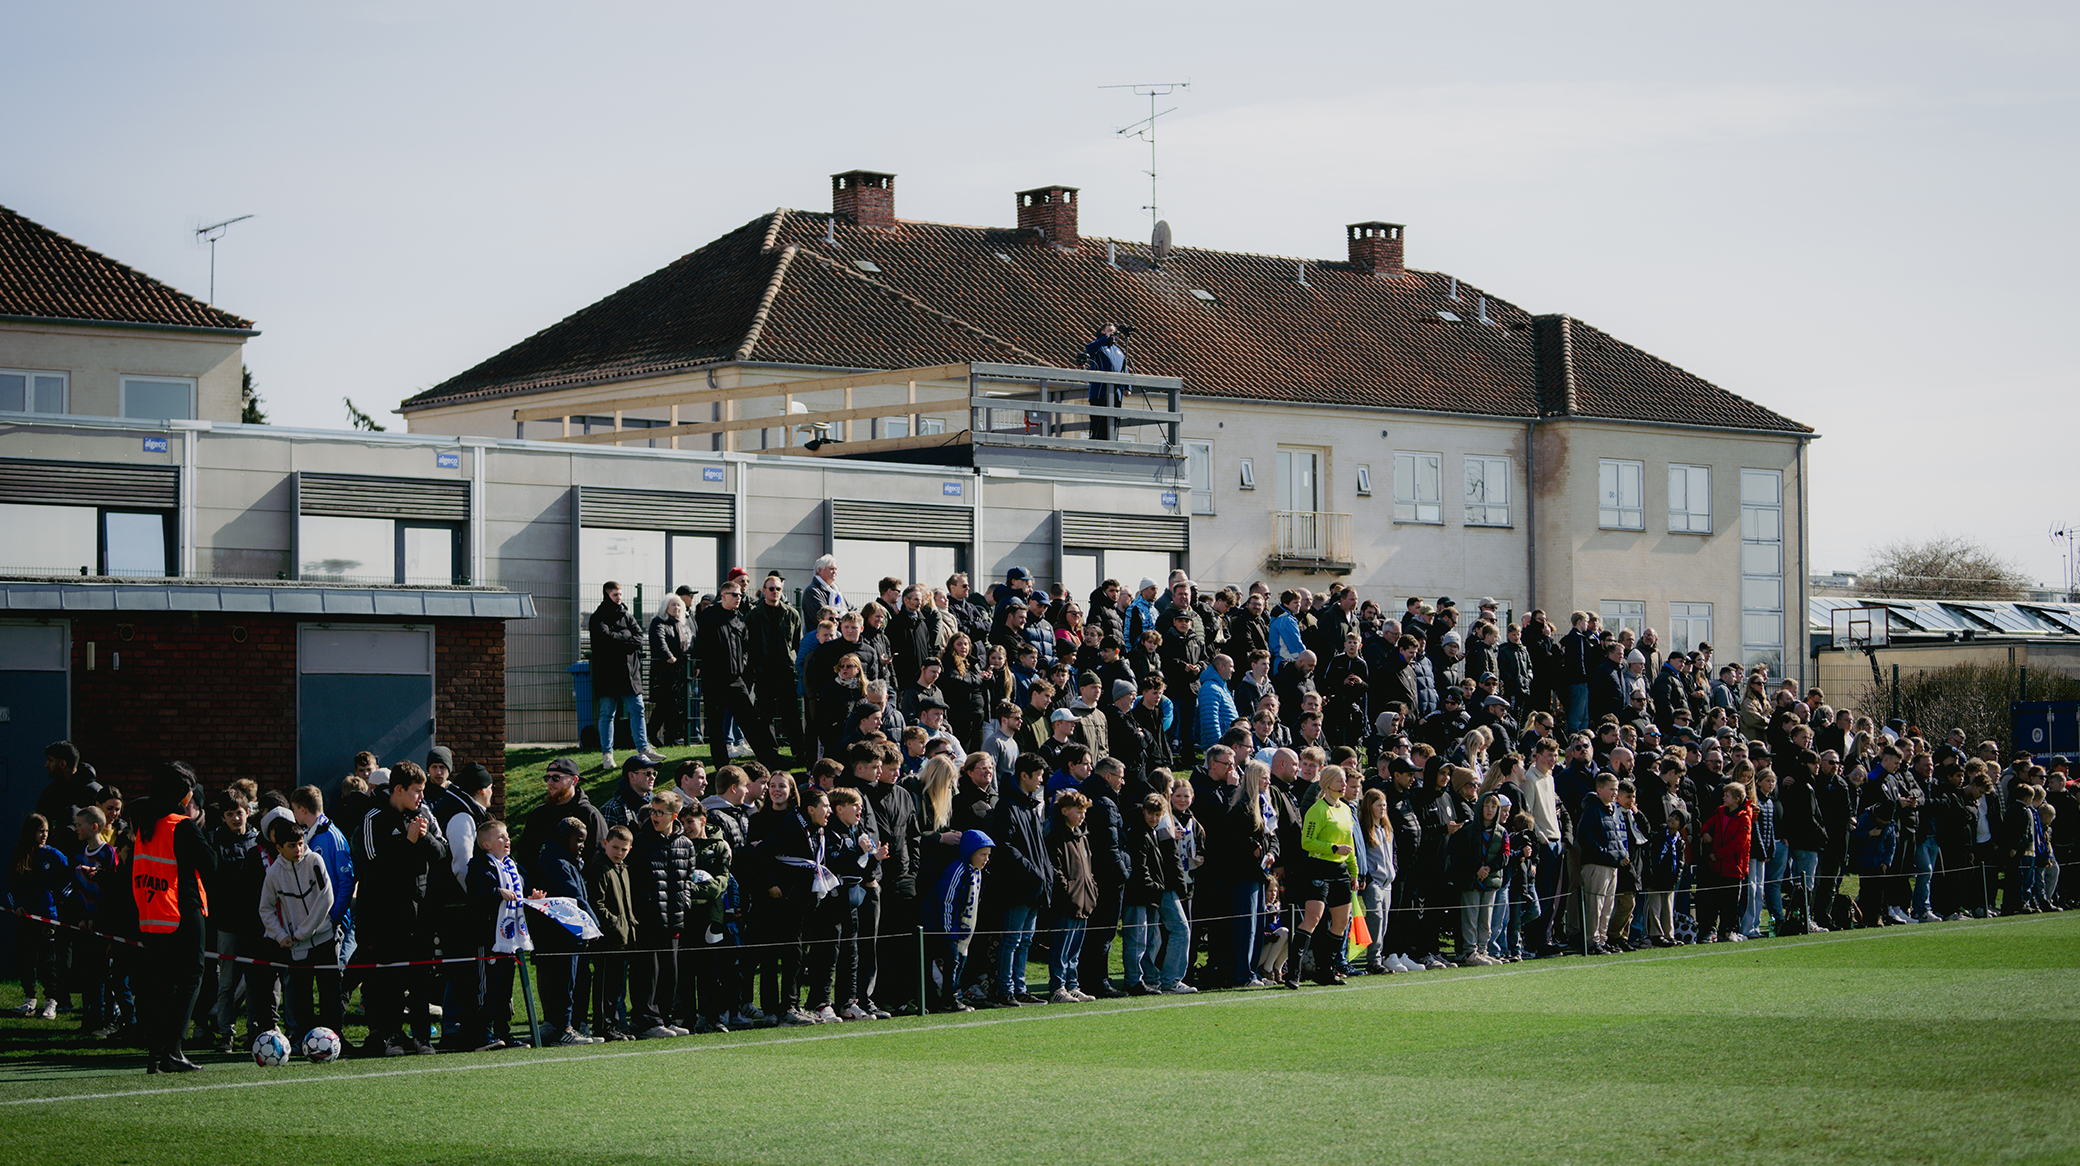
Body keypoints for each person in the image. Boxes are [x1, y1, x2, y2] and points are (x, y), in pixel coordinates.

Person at [359, 761, 452, 1056]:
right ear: (398, 790)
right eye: (416, 791)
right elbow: (373, 870)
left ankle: (422, 1037)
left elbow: (442, 854)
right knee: (390, 981)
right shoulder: (374, 819)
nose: (421, 798)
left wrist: (423, 838)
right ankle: (390, 1036)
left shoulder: (424, 814)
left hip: (420, 914)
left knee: (421, 979)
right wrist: (408, 843)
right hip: (386, 916)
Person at [131, 762, 216, 1074]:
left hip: (152, 915)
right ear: (184, 794)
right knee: (191, 978)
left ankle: (156, 1053)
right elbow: (211, 865)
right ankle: (174, 1050)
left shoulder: (145, 825)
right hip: (182, 912)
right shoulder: (181, 825)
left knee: (161, 986)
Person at [257, 817, 340, 1040]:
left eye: (301, 843)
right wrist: (280, 935)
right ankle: (306, 1040)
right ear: (279, 848)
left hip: (323, 938)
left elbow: (326, 898)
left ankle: (335, 1038)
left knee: (330, 992)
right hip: (296, 946)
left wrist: (304, 931)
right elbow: (265, 909)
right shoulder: (274, 873)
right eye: (292, 845)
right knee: (301, 996)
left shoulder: (315, 861)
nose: (299, 849)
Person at [985, 754, 1054, 1007]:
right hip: (1018, 886)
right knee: (1012, 939)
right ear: (1024, 775)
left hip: (1034, 885)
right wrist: (1034, 871)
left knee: (1024, 940)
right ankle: (1005, 990)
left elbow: (1039, 848)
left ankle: (1020, 988)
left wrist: (1045, 873)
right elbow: (1005, 846)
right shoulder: (1007, 806)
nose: (1041, 781)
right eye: (1037, 776)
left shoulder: (1029, 806)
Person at [697, 581, 786, 770]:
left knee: (750, 721)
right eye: (734, 595)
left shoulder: (740, 619)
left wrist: (741, 665)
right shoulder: (709, 617)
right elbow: (702, 648)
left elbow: (746, 646)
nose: (739, 598)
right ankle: (722, 766)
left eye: (740, 595)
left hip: (735, 679)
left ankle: (767, 759)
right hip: (714, 680)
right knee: (716, 724)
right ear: (723, 596)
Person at [465, 819, 537, 1051]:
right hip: (488, 938)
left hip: (510, 940)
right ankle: (483, 1034)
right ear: (486, 845)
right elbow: (477, 896)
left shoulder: (511, 866)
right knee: (488, 988)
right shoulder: (478, 866)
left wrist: (530, 898)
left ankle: (503, 1031)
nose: (507, 840)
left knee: (505, 989)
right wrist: (497, 892)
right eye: (500, 837)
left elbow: (519, 894)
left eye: (507, 836)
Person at [1288, 763, 1361, 987]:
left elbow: (1349, 844)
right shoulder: (1317, 810)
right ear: (1327, 783)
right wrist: (1332, 848)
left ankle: (1325, 970)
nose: (1344, 785)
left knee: (1340, 922)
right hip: (1319, 867)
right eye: (1340, 780)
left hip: (1339, 870)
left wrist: (1354, 872)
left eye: (1345, 781)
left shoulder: (1346, 810)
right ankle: (1293, 972)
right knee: (1313, 918)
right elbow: (1306, 842)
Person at [9, 814, 71, 1021]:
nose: (44, 835)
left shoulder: (54, 856)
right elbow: (12, 886)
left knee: (48, 961)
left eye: (46, 831)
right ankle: (29, 1001)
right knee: (28, 960)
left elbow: (68, 882)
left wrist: (59, 903)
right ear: (30, 832)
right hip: (26, 916)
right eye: (39, 831)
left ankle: (51, 1002)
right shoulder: (20, 854)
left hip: (48, 917)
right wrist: (16, 905)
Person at [588, 580, 649, 770]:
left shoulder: (627, 616)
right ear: (607, 595)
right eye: (615, 595)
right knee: (607, 713)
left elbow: (639, 638)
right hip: (608, 673)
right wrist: (626, 636)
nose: (619, 598)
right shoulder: (598, 617)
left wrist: (619, 637)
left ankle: (643, 750)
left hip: (629, 673)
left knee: (637, 709)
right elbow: (604, 640)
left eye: (620, 594)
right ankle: (607, 754)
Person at [1045, 790, 1098, 1003]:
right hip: (1067, 903)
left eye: (1084, 812)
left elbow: (1088, 869)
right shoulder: (1056, 835)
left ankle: (1072, 985)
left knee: (1075, 949)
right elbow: (1055, 869)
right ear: (1065, 811)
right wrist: (1068, 890)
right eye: (1079, 812)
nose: (1083, 816)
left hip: (1084, 901)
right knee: (1061, 948)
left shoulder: (1082, 836)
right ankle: (1058, 987)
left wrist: (1091, 890)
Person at [648, 594, 696, 747]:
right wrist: (669, 657)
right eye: (673, 605)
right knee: (664, 705)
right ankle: (652, 732)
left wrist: (694, 665)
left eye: (679, 605)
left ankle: (673, 738)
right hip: (665, 673)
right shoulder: (659, 622)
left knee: (678, 706)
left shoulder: (683, 624)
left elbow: (692, 644)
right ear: (666, 608)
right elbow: (659, 642)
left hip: (681, 673)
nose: (676, 608)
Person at [1083, 323, 1130, 440]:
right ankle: (1096, 446)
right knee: (1098, 423)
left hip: (1116, 393)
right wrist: (1105, 338)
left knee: (1113, 422)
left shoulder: (1118, 351)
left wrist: (1127, 386)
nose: (1113, 334)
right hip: (1100, 392)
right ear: (1103, 332)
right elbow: (1089, 348)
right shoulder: (1099, 347)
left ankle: (1111, 445)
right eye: (1110, 331)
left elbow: (1125, 368)